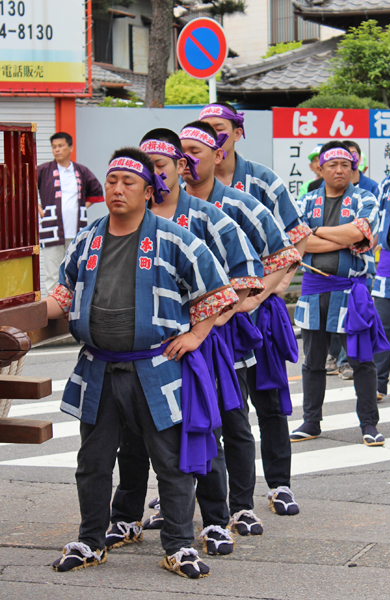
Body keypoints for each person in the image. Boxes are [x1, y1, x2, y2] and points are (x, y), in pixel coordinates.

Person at [46, 147, 240, 579]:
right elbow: (62, 292)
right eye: (112, 181)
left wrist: (195, 335)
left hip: (156, 368)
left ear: (149, 191)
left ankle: (178, 546)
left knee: (170, 463)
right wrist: (25, 316)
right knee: (92, 462)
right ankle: (91, 540)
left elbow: (221, 293)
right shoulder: (88, 237)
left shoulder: (173, 238)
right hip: (98, 367)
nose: (117, 189)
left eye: (128, 182)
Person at [106, 128, 266, 557]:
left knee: (204, 429)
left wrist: (206, 326)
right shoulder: (130, 219)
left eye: (162, 165)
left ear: (180, 166)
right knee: (133, 437)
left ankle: (217, 519)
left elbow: (247, 275)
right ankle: (126, 517)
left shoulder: (210, 216)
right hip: (140, 352)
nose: (154, 174)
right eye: (148, 167)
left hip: (196, 348)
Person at [179, 119, 303, 526]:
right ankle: (177, 502)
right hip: (185, 332)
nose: (185, 161)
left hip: (238, 325)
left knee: (243, 413)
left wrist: (257, 297)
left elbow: (287, 249)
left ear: (223, 148)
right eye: (181, 153)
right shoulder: (166, 206)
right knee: (186, 419)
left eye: (196, 150)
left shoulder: (248, 197)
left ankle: (247, 502)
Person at [291, 141, 390, 447]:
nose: (339, 170)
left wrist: (315, 232)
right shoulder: (305, 201)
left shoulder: (365, 198)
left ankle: (369, 424)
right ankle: (310, 421)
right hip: (314, 290)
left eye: (345, 164)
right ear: (320, 168)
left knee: (361, 359)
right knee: (313, 361)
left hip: (351, 291)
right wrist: (340, 236)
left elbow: (360, 232)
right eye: (332, 164)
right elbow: (296, 243)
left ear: (353, 168)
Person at [38, 132, 104, 296]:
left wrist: (82, 207)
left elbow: (97, 191)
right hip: (51, 229)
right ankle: (53, 309)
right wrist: (40, 211)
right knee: (52, 272)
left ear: (70, 148)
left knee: (75, 268)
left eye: (60, 146)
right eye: (54, 147)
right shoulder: (43, 170)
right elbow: (24, 189)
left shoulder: (81, 171)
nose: (57, 150)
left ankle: (73, 303)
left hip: (76, 231)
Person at [372, 139, 390, 400]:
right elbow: (375, 220)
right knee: (383, 326)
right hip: (389, 264)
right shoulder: (388, 184)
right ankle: (378, 384)